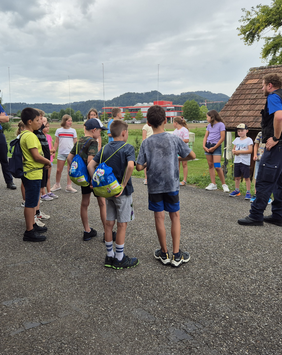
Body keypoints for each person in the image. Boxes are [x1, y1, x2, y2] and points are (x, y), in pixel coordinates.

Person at [238, 73, 282, 226]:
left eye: (263, 85)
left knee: (264, 178)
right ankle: (278, 216)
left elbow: (280, 117)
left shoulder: (273, 96)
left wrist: (276, 137)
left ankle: (256, 216)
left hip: (278, 147)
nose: (262, 88)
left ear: (270, 85)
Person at [136, 105, 196, 267]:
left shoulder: (146, 143)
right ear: (165, 121)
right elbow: (192, 155)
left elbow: (139, 167)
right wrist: (176, 159)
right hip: (171, 184)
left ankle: (164, 253)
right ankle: (177, 255)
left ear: (148, 123)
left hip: (155, 186)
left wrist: (150, 162)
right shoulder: (174, 139)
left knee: (159, 217)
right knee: (174, 216)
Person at [89, 119, 138, 269]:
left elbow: (91, 165)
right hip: (122, 192)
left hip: (107, 191)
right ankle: (119, 258)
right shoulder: (128, 148)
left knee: (109, 224)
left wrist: (95, 182)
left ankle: (109, 256)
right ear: (123, 133)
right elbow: (131, 165)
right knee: (122, 224)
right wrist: (123, 184)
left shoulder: (104, 148)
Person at [68, 118, 108, 241]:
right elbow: (91, 161)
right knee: (102, 203)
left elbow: (70, 158)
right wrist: (93, 179)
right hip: (92, 178)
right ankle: (107, 233)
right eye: (100, 131)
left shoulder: (80, 141)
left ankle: (87, 231)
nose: (100, 134)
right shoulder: (93, 142)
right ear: (94, 130)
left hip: (83, 177)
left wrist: (76, 170)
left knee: (85, 203)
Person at [19, 108, 52, 242]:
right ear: (30, 121)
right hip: (32, 173)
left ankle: (32, 224)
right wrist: (47, 162)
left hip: (30, 173)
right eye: (37, 120)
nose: (40, 123)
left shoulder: (23, 134)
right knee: (31, 203)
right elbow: (36, 156)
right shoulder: (31, 136)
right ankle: (29, 231)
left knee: (33, 202)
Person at [203, 110, 229, 193]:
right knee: (210, 165)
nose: (206, 118)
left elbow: (222, 138)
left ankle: (224, 184)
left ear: (212, 117)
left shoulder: (221, 125)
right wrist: (204, 146)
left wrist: (214, 147)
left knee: (217, 166)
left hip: (216, 147)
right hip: (208, 146)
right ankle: (213, 184)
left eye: (207, 117)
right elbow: (206, 136)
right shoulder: (209, 126)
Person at [51, 115, 78, 193]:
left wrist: (77, 152)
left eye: (71, 120)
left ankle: (69, 186)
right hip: (61, 153)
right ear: (64, 121)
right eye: (69, 120)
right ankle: (57, 185)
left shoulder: (73, 131)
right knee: (59, 170)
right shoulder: (58, 130)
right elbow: (56, 142)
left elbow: (76, 142)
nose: (70, 122)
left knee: (70, 170)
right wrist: (54, 151)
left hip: (70, 153)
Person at [229, 123, 253, 200]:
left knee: (246, 177)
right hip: (237, 161)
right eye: (238, 131)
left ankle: (248, 192)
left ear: (246, 131)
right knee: (237, 177)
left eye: (242, 130)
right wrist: (234, 151)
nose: (240, 132)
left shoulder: (249, 140)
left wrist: (239, 152)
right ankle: (237, 190)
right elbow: (234, 148)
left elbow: (250, 150)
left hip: (245, 161)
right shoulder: (236, 139)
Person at [251, 131, 272, 204]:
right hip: (259, 158)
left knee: (268, 176)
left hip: (270, 158)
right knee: (257, 176)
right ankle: (256, 194)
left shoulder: (274, 133)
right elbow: (256, 144)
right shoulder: (260, 133)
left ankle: (267, 196)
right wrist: (254, 155)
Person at [42, 122, 58, 200]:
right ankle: (43, 193)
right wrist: (50, 151)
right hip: (44, 159)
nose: (48, 128)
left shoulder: (49, 137)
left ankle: (49, 191)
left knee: (48, 176)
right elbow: (47, 151)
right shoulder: (41, 137)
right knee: (43, 176)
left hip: (50, 159)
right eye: (46, 126)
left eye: (48, 126)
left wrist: (52, 152)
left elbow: (52, 149)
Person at [172, 116, 190, 186]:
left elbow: (187, 140)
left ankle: (184, 180)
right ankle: (177, 179)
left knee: (184, 164)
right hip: (176, 150)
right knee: (177, 165)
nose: (172, 124)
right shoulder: (175, 131)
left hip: (183, 149)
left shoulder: (184, 130)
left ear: (176, 123)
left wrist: (178, 141)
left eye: (173, 122)